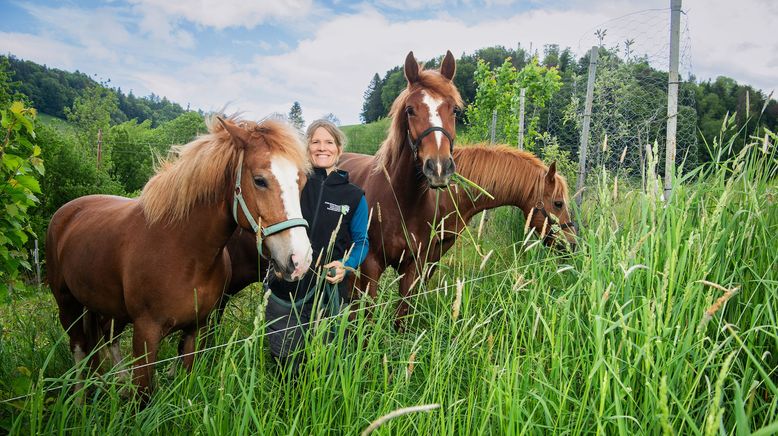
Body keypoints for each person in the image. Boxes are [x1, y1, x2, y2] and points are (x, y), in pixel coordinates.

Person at [266, 119, 369, 371]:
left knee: (326, 360)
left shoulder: (354, 196)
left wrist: (346, 265)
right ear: (306, 148)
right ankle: (287, 404)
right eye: (315, 142)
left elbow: (362, 242)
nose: (322, 148)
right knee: (285, 360)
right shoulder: (294, 184)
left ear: (339, 149)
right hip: (286, 288)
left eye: (329, 142)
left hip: (328, 292)